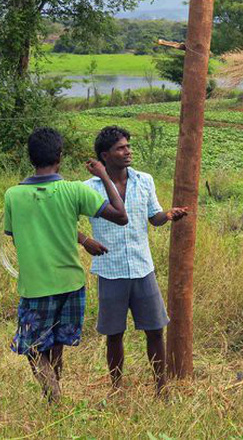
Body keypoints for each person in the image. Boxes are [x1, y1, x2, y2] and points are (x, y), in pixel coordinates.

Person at [4, 127, 128, 402]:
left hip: (36, 285)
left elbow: (14, 234)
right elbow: (121, 215)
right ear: (59, 156)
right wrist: (104, 176)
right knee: (56, 342)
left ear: (30, 158)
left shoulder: (13, 195)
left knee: (34, 347)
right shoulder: (73, 191)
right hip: (71, 283)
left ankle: (53, 394)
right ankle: (54, 395)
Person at [79, 126, 187, 395]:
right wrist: (84, 240)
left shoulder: (144, 180)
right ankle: (116, 389)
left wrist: (169, 214)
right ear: (105, 155)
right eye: (121, 148)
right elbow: (63, 221)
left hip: (142, 267)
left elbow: (154, 217)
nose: (128, 151)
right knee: (114, 334)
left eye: (128, 146)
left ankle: (161, 388)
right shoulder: (88, 188)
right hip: (110, 269)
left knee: (155, 329)